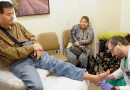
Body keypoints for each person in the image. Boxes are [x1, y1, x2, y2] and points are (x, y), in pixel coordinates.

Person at [0, 1, 110, 90]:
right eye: (8, 14)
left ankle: (92, 77)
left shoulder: (18, 25)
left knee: (60, 64)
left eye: (12, 14)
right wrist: (32, 47)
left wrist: (37, 46)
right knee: (36, 86)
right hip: (18, 62)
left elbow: (32, 37)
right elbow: (10, 52)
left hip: (34, 55)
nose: (12, 17)